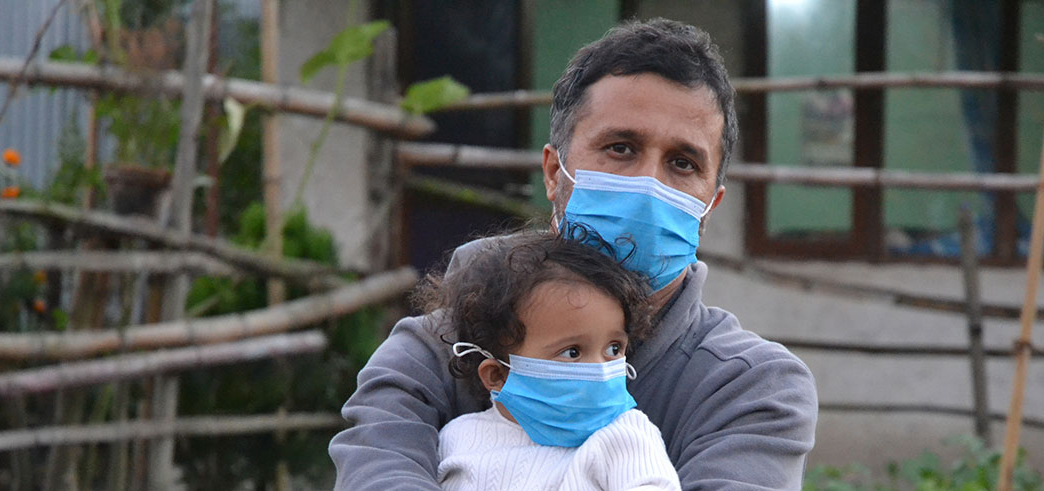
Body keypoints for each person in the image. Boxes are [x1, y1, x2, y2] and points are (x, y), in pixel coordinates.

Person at [330, 18, 818, 490]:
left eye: (682, 163)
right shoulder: (453, 339)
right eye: (621, 148)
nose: (647, 183)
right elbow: (379, 458)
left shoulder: (748, 388)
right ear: (553, 173)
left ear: (709, 206)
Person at [417, 229, 680, 490]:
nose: (601, 371)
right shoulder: (457, 438)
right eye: (573, 352)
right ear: (497, 375)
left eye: (614, 349)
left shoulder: (626, 436)